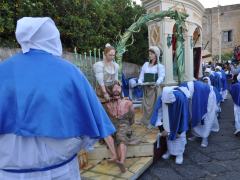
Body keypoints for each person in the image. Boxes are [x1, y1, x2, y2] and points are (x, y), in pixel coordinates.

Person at [0, 17, 116, 180]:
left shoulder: (2, 71)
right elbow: (89, 130)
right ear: (51, 37)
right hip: (60, 172)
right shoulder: (69, 72)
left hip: (8, 173)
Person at [93, 44, 135, 173]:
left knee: (119, 130)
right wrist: (105, 93)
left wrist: (117, 86)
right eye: (110, 54)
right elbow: (100, 81)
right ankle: (115, 155)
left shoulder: (115, 65)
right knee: (105, 118)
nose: (112, 57)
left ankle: (120, 159)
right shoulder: (98, 65)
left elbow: (116, 79)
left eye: (113, 55)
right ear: (105, 54)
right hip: (102, 92)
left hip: (113, 94)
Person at [150, 86, 190, 164]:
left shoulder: (181, 98)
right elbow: (157, 113)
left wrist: (180, 131)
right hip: (167, 123)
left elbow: (184, 116)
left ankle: (179, 154)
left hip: (179, 124)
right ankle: (170, 151)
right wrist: (162, 129)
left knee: (179, 138)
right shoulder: (162, 98)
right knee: (168, 138)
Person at [138, 46, 165, 127]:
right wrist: (140, 82)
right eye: (149, 54)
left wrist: (157, 83)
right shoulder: (146, 64)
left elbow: (161, 76)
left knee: (154, 106)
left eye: (151, 54)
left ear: (156, 55)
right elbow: (141, 76)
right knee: (146, 106)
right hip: (146, 89)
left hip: (154, 89)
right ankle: (145, 121)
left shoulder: (159, 66)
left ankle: (152, 122)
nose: (149, 55)